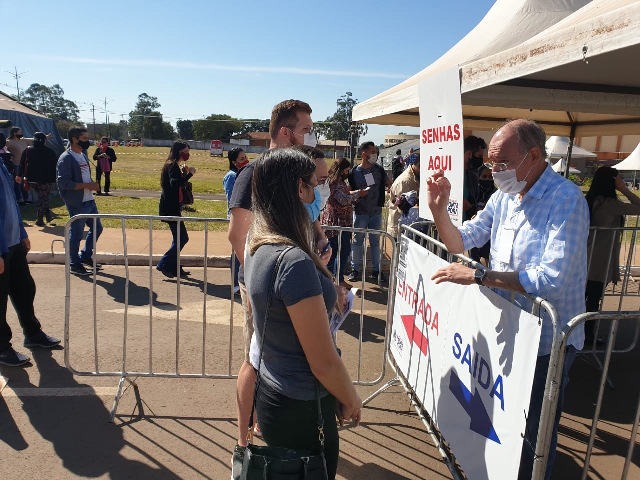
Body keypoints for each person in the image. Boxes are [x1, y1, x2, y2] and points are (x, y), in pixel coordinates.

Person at [426, 119, 588, 480]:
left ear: (533, 156)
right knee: (504, 421)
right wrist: (439, 210)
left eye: (501, 164)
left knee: (533, 435)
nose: (494, 172)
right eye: (490, 164)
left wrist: (481, 276)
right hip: (511, 332)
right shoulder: (505, 197)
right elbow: (462, 240)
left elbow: (553, 278)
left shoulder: (566, 200)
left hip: (548, 340)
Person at [245, 148, 362, 479]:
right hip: (302, 403)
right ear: (298, 189)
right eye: (315, 184)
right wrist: (350, 398)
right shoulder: (292, 260)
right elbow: (322, 361)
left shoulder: (259, 243)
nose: (319, 194)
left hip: (274, 391)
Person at [228, 99, 331, 449]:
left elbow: (304, 217)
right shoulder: (255, 173)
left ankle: (269, 424)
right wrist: (262, 278)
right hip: (265, 285)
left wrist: (318, 240)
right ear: (285, 132)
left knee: (284, 360)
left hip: (292, 280)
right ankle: (244, 440)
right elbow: (237, 234)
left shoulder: (295, 169)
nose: (309, 135)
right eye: (305, 129)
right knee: (255, 360)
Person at [0, 160, 60, 367]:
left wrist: (22, 232)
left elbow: (11, 202)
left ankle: (32, 333)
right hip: (1, 248)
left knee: (25, 289)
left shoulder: (1, 164)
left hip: (14, 243)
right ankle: (2, 348)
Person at [584, 167, 640, 343]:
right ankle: (587, 337)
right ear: (612, 181)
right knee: (592, 299)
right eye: (619, 178)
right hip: (598, 260)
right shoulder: (608, 204)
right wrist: (624, 189)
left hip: (586, 256)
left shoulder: (591, 199)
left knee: (585, 298)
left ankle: (582, 335)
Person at [56, 127, 103, 276]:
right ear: (74, 139)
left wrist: (93, 185)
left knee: (97, 228)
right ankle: (74, 264)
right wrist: (87, 185)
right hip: (77, 203)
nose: (87, 141)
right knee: (76, 235)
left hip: (89, 200)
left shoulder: (82, 155)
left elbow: (83, 176)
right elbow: (64, 184)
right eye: (84, 139)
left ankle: (85, 256)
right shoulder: (66, 158)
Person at [347, 141, 392, 283]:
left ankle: (376, 270)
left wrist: (390, 186)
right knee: (357, 242)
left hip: (376, 213)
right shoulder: (354, 172)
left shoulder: (379, 169)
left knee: (375, 242)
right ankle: (355, 270)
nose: (375, 155)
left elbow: (389, 183)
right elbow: (348, 190)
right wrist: (358, 193)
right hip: (360, 212)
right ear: (364, 154)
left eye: (376, 152)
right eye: (372, 152)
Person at [322, 158, 367, 287]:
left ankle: (333, 280)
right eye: (347, 169)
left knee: (336, 252)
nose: (348, 171)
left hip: (339, 223)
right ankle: (336, 280)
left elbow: (345, 195)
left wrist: (354, 194)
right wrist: (359, 194)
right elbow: (342, 199)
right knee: (340, 252)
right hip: (337, 224)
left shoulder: (338, 182)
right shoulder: (334, 183)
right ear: (341, 170)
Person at [157, 141, 195, 278]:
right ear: (179, 151)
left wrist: (184, 173)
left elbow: (178, 183)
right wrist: (189, 174)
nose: (187, 154)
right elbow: (174, 184)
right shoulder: (172, 164)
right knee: (182, 238)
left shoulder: (176, 164)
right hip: (170, 208)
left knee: (178, 238)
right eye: (185, 151)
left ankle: (174, 267)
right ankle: (164, 263)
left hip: (174, 206)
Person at [17, 132, 58, 227]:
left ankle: (47, 215)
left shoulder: (27, 150)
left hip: (31, 179)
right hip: (46, 179)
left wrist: (19, 175)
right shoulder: (49, 151)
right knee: (43, 197)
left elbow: (22, 163)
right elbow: (55, 165)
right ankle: (39, 219)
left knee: (43, 196)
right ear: (44, 140)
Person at [223, 147, 249, 294]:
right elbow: (234, 198)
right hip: (238, 217)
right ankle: (236, 285)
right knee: (237, 252)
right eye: (241, 158)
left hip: (245, 216)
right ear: (233, 161)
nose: (245, 160)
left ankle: (240, 283)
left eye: (245, 157)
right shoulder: (232, 176)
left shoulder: (241, 173)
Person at [387, 151, 420, 237]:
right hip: (400, 227)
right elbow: (402, 207)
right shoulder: (404, 182)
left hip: (408, 226)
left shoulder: (415, 177)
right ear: (418, 165)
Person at [469, 165, 496, 265]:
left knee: (485, 258)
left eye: (490, 177)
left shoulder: (496, 195)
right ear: (479, 177)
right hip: (474, 229)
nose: (487, 179)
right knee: (473, 259)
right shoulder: (474, 192)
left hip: (488, 233)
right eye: (484, 177)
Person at [462, 135, 487, 221]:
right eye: (479, 156)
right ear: (469, 154)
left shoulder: (473, 177)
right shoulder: (451, 175)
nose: (481, 160)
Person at [6, 126, 34, 204]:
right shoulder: (9, 141)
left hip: (25, 164)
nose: (21, 133)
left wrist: (45, 136)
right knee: (18, 183)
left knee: (25, 182)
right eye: (20, 132)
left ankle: (27, 198)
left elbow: (33, 139)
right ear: (15, 133)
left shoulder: (23, 140)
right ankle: (19, 199)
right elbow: (4, 148)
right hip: (16, 164)